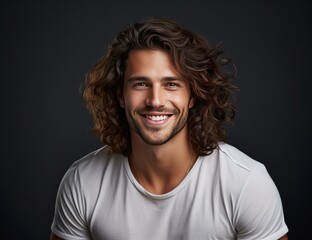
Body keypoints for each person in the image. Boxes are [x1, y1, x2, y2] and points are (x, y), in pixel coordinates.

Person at [50, 17, 288, 240]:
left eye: (171, 84)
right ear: (121, 95)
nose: (155, 100)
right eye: (141, 83)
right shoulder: (82, 183)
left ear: (192, 95)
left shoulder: (247, 184)